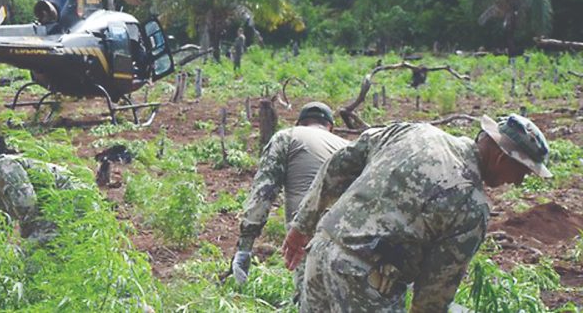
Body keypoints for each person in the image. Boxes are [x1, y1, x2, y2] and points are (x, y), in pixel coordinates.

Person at [281, 114, 552, 312]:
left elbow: (339, 164)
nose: (518, 182)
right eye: (522, 172)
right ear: (501, 158)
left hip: (320, 255)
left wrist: (301, 226)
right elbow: (431, 299)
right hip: (364, 283)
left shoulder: (415, 132)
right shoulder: (471, 206)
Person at [231, 102, 348, 288]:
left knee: (309, 298)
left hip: (307, 232)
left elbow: (264, 192)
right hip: (351, 236)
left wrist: (244, 248)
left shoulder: (288, 136)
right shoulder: (348, 146)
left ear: (300, 123)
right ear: (330, 127)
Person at [0, 152, 89, 244]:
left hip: (75, 200)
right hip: (60, 208)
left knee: (39, 252)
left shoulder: (6, 168)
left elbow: (28, 205)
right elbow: (2, 225)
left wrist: (26, 242)